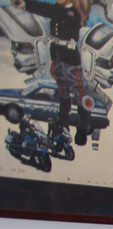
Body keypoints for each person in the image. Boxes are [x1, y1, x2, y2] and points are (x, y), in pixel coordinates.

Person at [12, 0, 91, 145]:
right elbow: (46, 9)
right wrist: (25, 4)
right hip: (58, 57)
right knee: (63, 92)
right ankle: (63, 124)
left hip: (70, 59)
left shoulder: (72, 13)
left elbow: (52, 12)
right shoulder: (58, 9)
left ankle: (82, 129)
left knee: (80, 93)